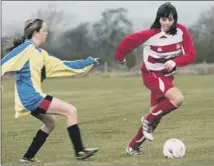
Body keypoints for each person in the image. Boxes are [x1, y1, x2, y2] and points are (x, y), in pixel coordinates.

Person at [1, 18, 100, 162]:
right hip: (32, 98)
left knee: (50, 123)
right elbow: (4, 63)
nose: (46, 33)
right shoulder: (26, 48)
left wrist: (88, 62)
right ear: (36, 33)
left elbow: (64, 65)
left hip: (31, 99)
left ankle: (28, 157)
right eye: (44, 30)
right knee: (70, 110)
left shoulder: (41, 54)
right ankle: (79, 151)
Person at [114, 2, 196, 155]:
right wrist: (120, 57)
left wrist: (175, 62)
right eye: (164, 19)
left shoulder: (181, 32)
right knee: (177, 99)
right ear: (159, 19)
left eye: (170, 19)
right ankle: (147, 120)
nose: (167, 23)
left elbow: (191, 55)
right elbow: (128, 41)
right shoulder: (151, 34)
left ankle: (133, 147)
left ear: (175, 19)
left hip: (166, 77)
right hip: (151, 75)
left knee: (156, 116)